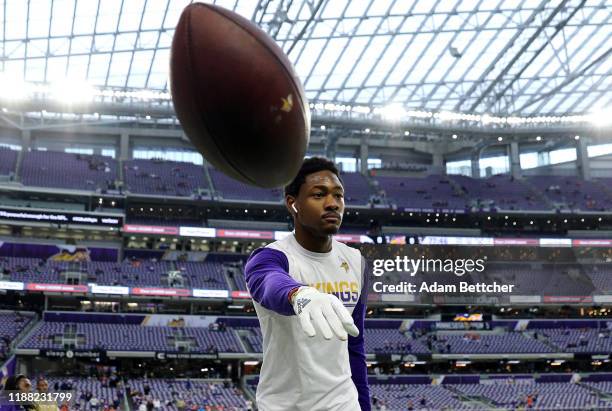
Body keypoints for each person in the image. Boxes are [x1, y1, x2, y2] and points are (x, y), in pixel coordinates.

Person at [244, 157, 370, 410]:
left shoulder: (357, 262)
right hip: (285, 405)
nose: (333, 204)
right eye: (319, 194)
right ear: (293, 204)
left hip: (343, 403)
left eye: (339, 195)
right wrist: (300, 295)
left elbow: (355, 346)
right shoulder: (269, 257)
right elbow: (269, 283)